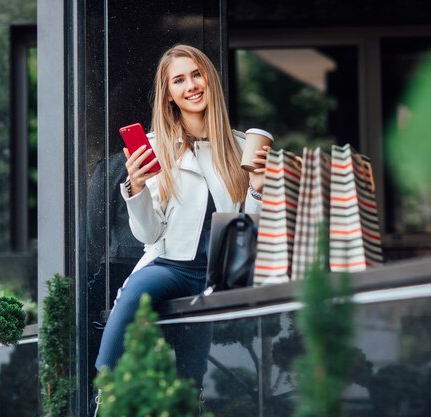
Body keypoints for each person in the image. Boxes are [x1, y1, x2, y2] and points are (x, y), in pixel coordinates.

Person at [91, 44, 269, 414]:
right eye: (179, 80)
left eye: (196, 74)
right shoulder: (156, 148)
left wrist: (258, 186)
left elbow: (250, 227)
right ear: (169, 94)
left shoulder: (240, 147)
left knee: (195, 364)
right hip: (173, 265)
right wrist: (136, 189)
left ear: (209, 80)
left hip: (223, 270)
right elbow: (148, 235)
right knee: (135, 293)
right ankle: (106, 396)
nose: (191, 85)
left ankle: (192, 400)